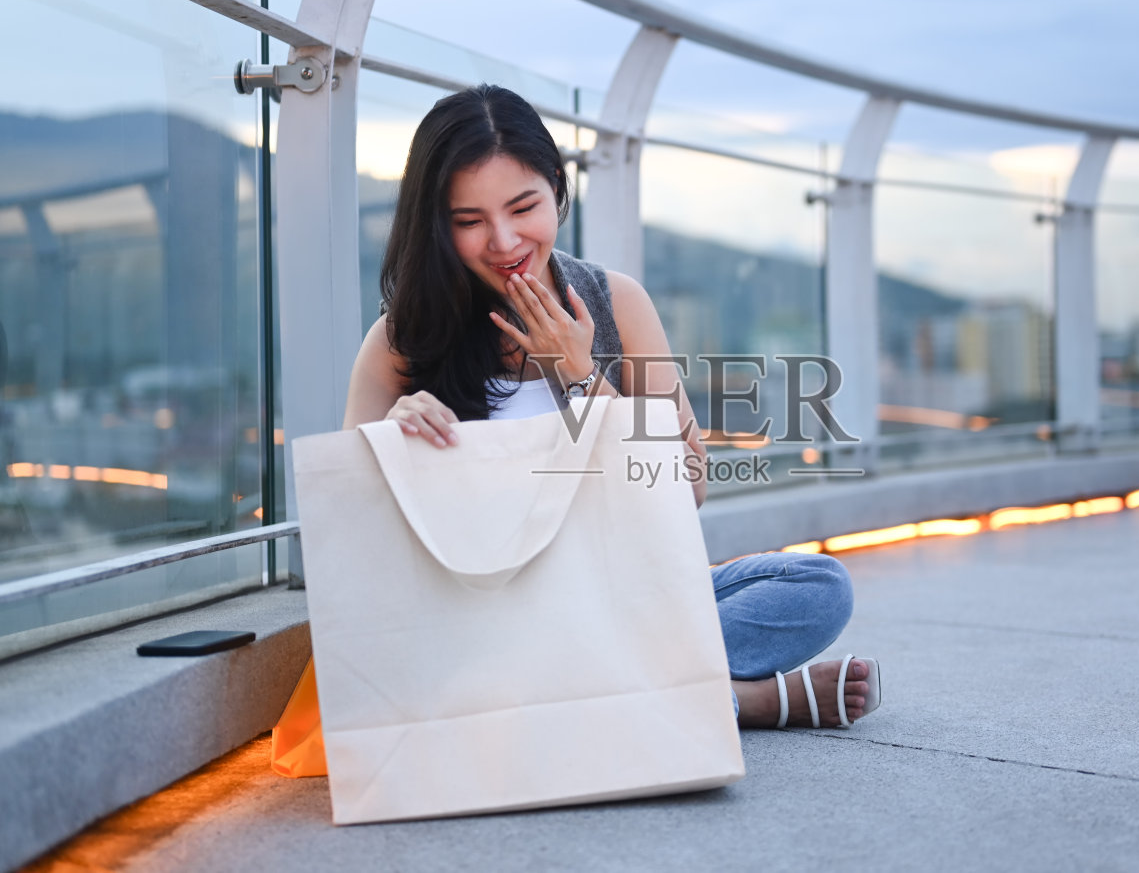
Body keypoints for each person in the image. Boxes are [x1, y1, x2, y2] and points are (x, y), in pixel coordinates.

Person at [341, 83, 879, 728]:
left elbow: (688, 487)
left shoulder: (615, 303)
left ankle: (603, 696)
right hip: (482, 616)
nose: (504, 240)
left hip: (620, 600)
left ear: (560, 198)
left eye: (523, 207)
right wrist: (390, 440)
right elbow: (353, 530)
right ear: (435, 224)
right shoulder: (402, 339)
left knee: (816, 589)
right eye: (469, 221)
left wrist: (579, 375)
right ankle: (733, 701)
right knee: (472, 655)